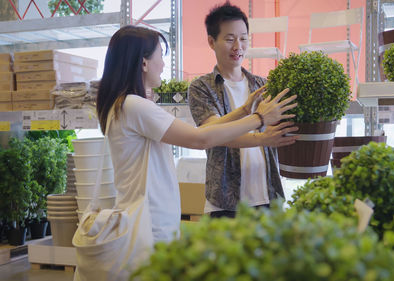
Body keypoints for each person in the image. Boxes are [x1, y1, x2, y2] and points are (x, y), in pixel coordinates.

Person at [95, 26, 295, 244]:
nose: (163, 65)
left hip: (146, 220)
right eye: (160, 56)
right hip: (148, 224)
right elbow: (200, 140)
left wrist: (244, 111)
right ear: (143, 63)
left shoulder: (124, 105)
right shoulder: (136, 106)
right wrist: (259, 119)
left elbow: (201, 133)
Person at [189, 2, 299, 218]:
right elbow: (213, 134)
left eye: (243, 38)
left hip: (268, 195)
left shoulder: (263, 85)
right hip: (225, 201)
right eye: (229, 39)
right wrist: (260, 134)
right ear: (212, 42)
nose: (238, 46)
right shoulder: (202, 87)